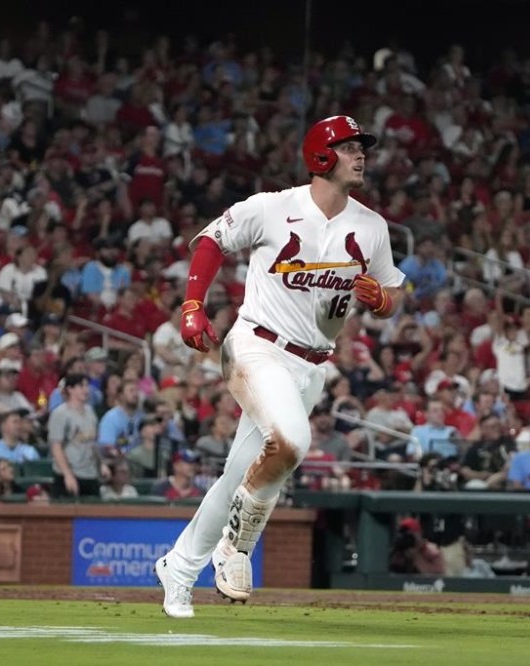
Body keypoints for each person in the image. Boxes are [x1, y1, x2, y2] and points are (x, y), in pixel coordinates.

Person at [155, 115, 405, 615]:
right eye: (350, 147)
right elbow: (211, 241)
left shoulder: (372, 227)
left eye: (362, 148)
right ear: (321, 156)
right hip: (256, 347)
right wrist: (192, 305)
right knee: (291, 442)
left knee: (236, 478)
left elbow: (393, 292)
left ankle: (179, 568)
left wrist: (382, 301)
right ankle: (236, 548)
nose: (361, 156)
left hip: (311, 367)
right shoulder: (273, 208)